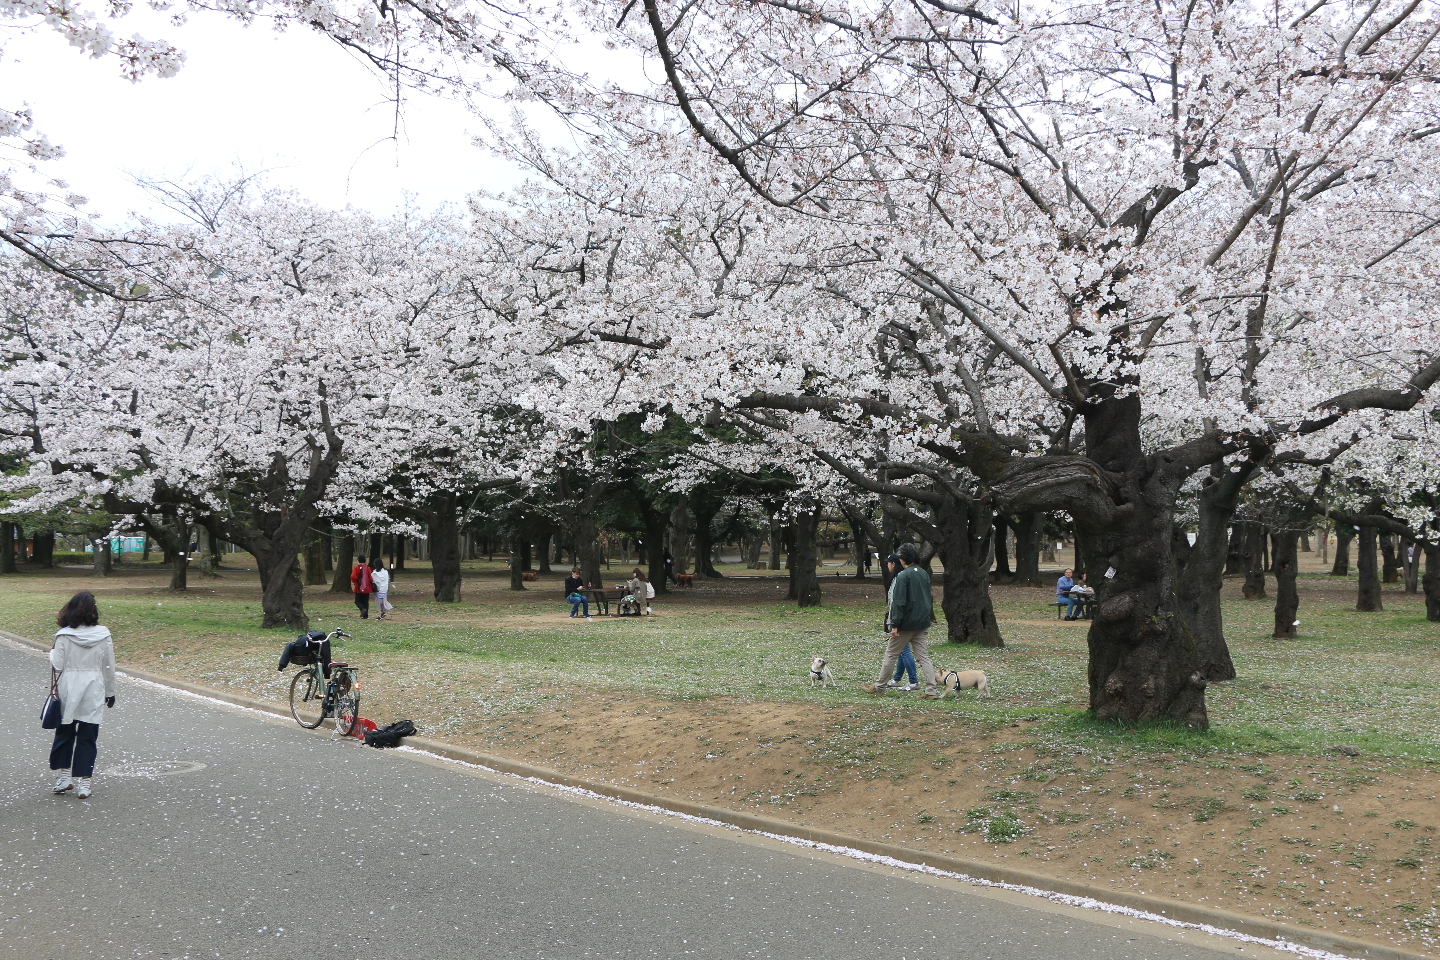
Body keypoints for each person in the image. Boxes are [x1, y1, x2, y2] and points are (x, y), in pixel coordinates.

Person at [48, 591, 117, 799]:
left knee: (65, 732)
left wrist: (51, 652)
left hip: (69, 686)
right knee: (88, 735)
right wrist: (110, 691)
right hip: (94, 686)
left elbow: (58, 665)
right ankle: (85, 783)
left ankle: (65, 776)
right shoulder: (103, 634)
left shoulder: (63, 635)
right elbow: (109, 666)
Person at [861, 544, 939, 698]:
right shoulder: (923, 573)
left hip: (906, 623)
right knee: (923, 657)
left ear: (903, 558)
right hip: (922, 623)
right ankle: (931, 690)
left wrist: (894, 625)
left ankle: (880, 686)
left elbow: (899, 602)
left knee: (891, 654)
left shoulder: (903, 576)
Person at [880, 554, 918, 690]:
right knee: (902, 649)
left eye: (888, 563)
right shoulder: (900, 577)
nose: (887, 565)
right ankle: (897, 679)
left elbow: (896, 602)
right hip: (902, 618)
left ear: (893, 564)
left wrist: (893, 622)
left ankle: (914, 681)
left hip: (900, 620)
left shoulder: (900, 578)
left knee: (904, 650)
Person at [351, 554, 374, 619]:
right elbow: (370, 578)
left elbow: (353, 576)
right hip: (367, 587)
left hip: (359, 587)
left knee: (357, 601)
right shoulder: (368, 568)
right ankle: (365, 615)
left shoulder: (356, 568)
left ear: (358, 560)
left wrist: (356, 581)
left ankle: (362, 609)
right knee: (365, 601)